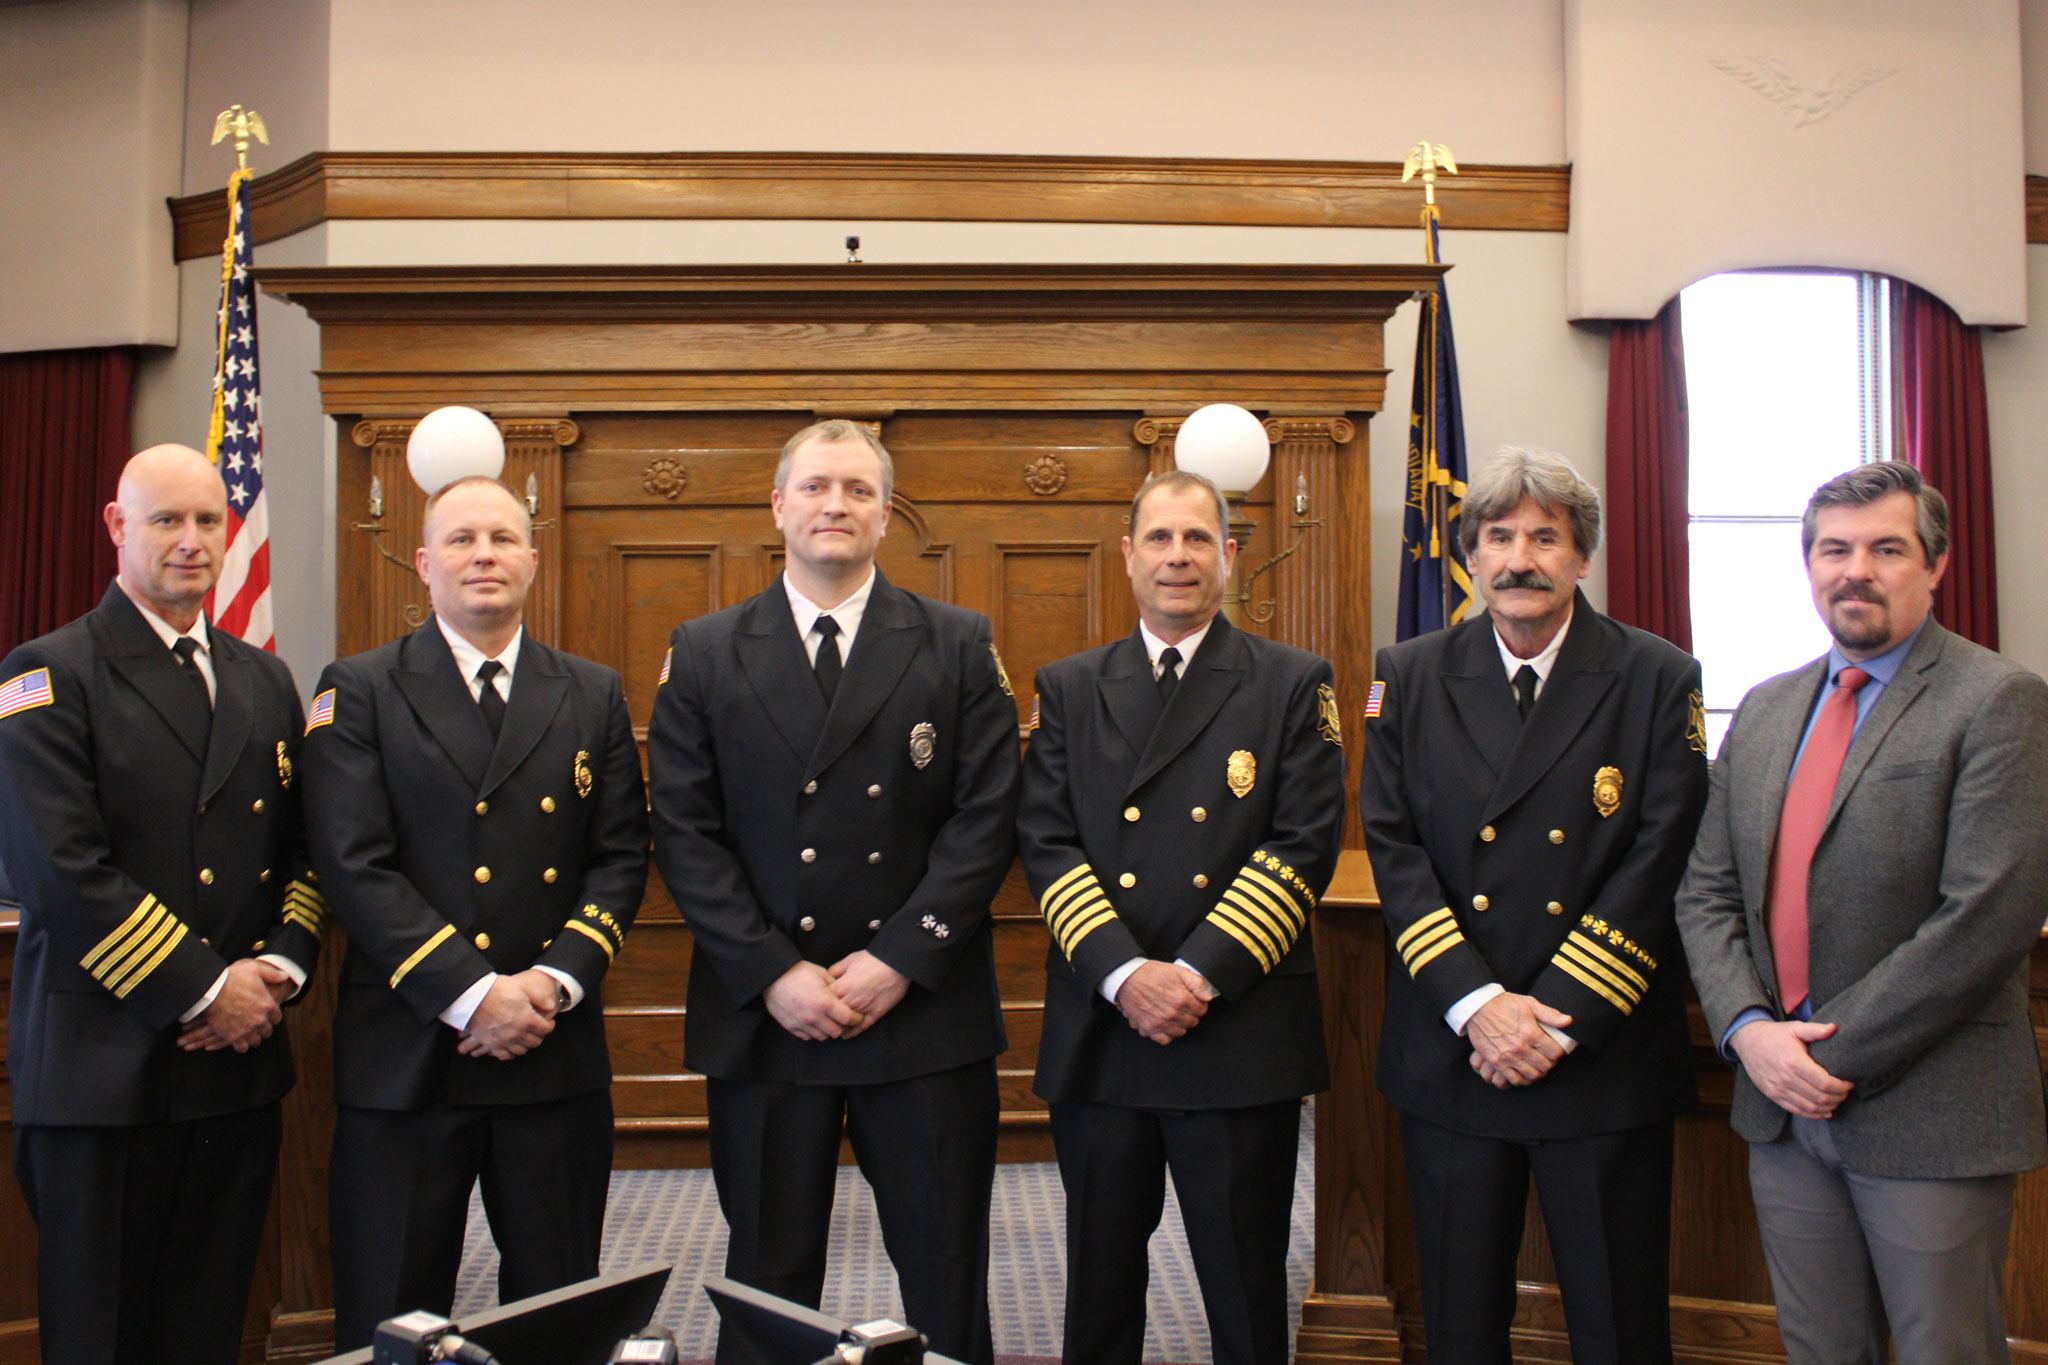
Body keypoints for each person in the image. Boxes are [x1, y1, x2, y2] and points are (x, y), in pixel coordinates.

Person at [646, 420, 1020, 1365]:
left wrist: (901, 956)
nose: (835, 505)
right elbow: (684, 832)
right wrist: (773, 971)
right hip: (769, 1014)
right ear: (778, 507)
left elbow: (988, 816)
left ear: (886, 514)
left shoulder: (957, 641)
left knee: (945, 1268)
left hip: (921, 1010)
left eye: (857, 490)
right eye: (815, 487)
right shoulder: (704, 649)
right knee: (768, 1272)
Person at [1676, 461, 2048, 1362]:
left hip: (1930, 1107)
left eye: (1887, 548)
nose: (1857, 570)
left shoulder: (1999, 701)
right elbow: (1707, 891)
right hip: (1780, 1103)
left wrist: (1829, 1057)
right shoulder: (1765, 709)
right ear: (1809, 567)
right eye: (1835, 550)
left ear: (1936, 564)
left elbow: (1986, 917)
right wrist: (1750, 1031)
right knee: (1819, 1348)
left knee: (1943, 1350)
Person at [1359, 447, 1709, 1364]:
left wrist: (1552, 1021)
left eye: (1545, 537)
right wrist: (1482, 1009)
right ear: (1470, 555)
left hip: (1595, 1050)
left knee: (1618, 1321)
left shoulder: (1658, 677)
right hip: (1456, 1049)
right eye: (1500, 536)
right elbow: (1394, 851)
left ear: (1581, 558)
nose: (1521, 558)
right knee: (1462, 1322)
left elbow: (1659, 854)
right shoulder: (1410, 672)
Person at [302, 475, 649, 1350]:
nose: (483, 554)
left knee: (559, 1307)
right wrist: (472, 993)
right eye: (461, 540)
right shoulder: (361, 689)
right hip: (412, 1052)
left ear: (533, 558)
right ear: (423, 563)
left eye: (502, 537)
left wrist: (551, 985)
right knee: (394, 1310)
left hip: (550, 1049)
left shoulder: (591, 691)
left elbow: (617, 859)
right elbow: (353, 864)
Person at [0, 444, 325, 1365]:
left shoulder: (261, 678)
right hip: (104, 1070)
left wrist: (274, 970)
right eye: (166, 521)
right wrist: (202, 990)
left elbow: (300, 851)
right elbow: (60, 869)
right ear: (117, 527)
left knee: (209, 1325)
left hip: (237, 1064)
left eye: (208, 522)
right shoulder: (47, 673)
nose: (192, 542)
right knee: (100, 1334)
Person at [1018, 469, 1344, 1365]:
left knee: (1245, 1292)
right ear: (1128, 556)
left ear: (1230, 556)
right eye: (1159, 539)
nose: (1178, 558)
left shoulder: (1291, 683)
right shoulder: (1070, 686)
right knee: (1100, 1290)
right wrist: (1130, 977)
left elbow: (1303, 845)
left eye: (1197, 539)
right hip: (1105, 1029)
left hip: (1236, 1030)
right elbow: (1047, 844)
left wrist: (1193, 978)